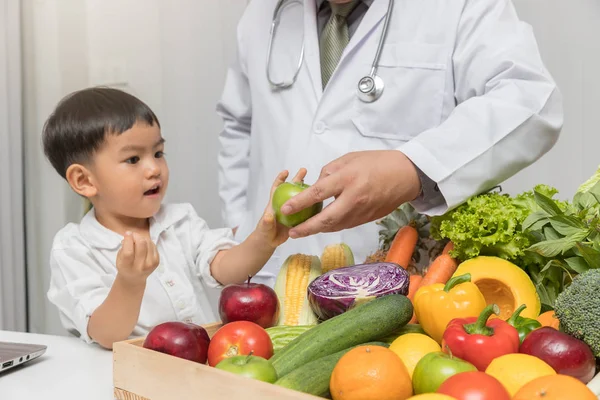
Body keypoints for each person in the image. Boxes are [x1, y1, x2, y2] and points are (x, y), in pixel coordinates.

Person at [216, 0, 563, 286]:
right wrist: (240, 227)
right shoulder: (264, 12)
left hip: (399, 282)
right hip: (269, 279)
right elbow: (237, 122)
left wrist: (413, 168)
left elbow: (530, 99)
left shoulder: (461, 7)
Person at [43, 87, 301, 349]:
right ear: (84, 180)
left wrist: (263, 239)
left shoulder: (180, 220)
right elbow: (106, 334)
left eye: (158, 153)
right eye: (133, 159)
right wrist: (129, 282)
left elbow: (227, 271)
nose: (154, 169)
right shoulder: (74, 247)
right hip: (125, 377)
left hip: (195, 365)